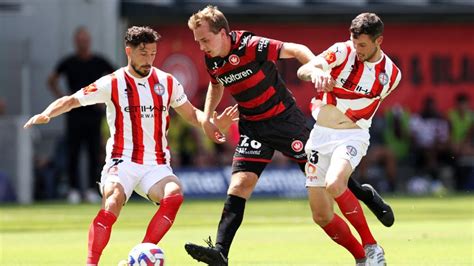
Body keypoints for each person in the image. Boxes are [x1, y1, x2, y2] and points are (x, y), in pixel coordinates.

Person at [184, 6, 394, 266]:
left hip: (285, 120)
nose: (202, 46)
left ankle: (364, 195)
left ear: (223, 33)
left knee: (329, 178)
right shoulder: (212, 58)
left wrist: (316, 69)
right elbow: (216, 84)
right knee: (239, 185)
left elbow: (296, 49)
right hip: (253, 126)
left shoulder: (250, 45)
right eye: (198, 41)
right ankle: (221, 252)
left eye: (205, 39)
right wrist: (207, 117)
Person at [24, 26, 238, 266]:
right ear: (129, 51)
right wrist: (47, 113)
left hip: (155, 164)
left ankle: (138, 256)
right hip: (122, 160)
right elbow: (73, 99)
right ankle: (91, 263)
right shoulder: (112, 82)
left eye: (153, 54)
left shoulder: (167, 82)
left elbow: (190, 114)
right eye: (143, 54)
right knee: (113, 200)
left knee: (174, 195)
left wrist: (211, 122)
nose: (149, 60)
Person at [297, 13, 402, 265]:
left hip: (351, 136)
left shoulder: (391, 75)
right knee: (321, 216)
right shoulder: (342, 51)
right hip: (320, 135)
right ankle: (361, 258)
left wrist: (334, 90)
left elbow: (362, 106)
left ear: (379, 41)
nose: (357, 49)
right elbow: (304, 69)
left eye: (363, 45)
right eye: (354, 43)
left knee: (335, 183)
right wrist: (317, 74)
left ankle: (372, 246)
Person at [47, 27, 115, 204]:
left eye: (85, 40)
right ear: (75, 42)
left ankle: (93, 189)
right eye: (80, 40)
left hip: (94, 114)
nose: (83, 43)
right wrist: (63, 99)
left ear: (89, 42)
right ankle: (74, 189)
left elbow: (116, 77)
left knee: (94, 152)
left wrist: (106, 100)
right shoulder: (69, 62)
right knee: (73, 152)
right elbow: (51, 79)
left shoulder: (99, 61)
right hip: (74, 114)